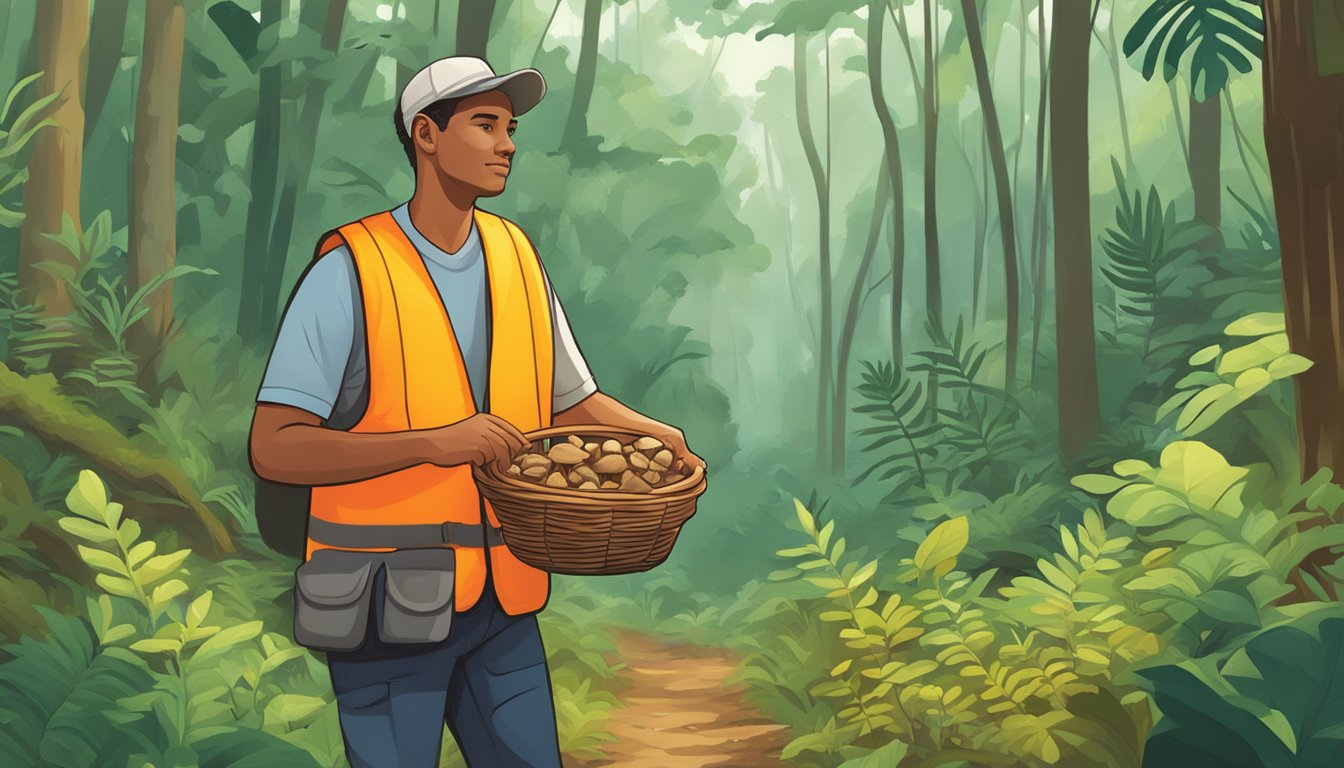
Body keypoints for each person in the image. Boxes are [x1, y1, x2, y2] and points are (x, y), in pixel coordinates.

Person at [248, 56, 705, 768]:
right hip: (384, 611)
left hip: (503, 597)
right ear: (425, 135)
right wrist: (434, 444)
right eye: (485, 124)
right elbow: (275, 447)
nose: (508, 143)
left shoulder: (516, 255)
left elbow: (572, 401)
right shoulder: (350, 270)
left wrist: (656, 434)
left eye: (511, 127)